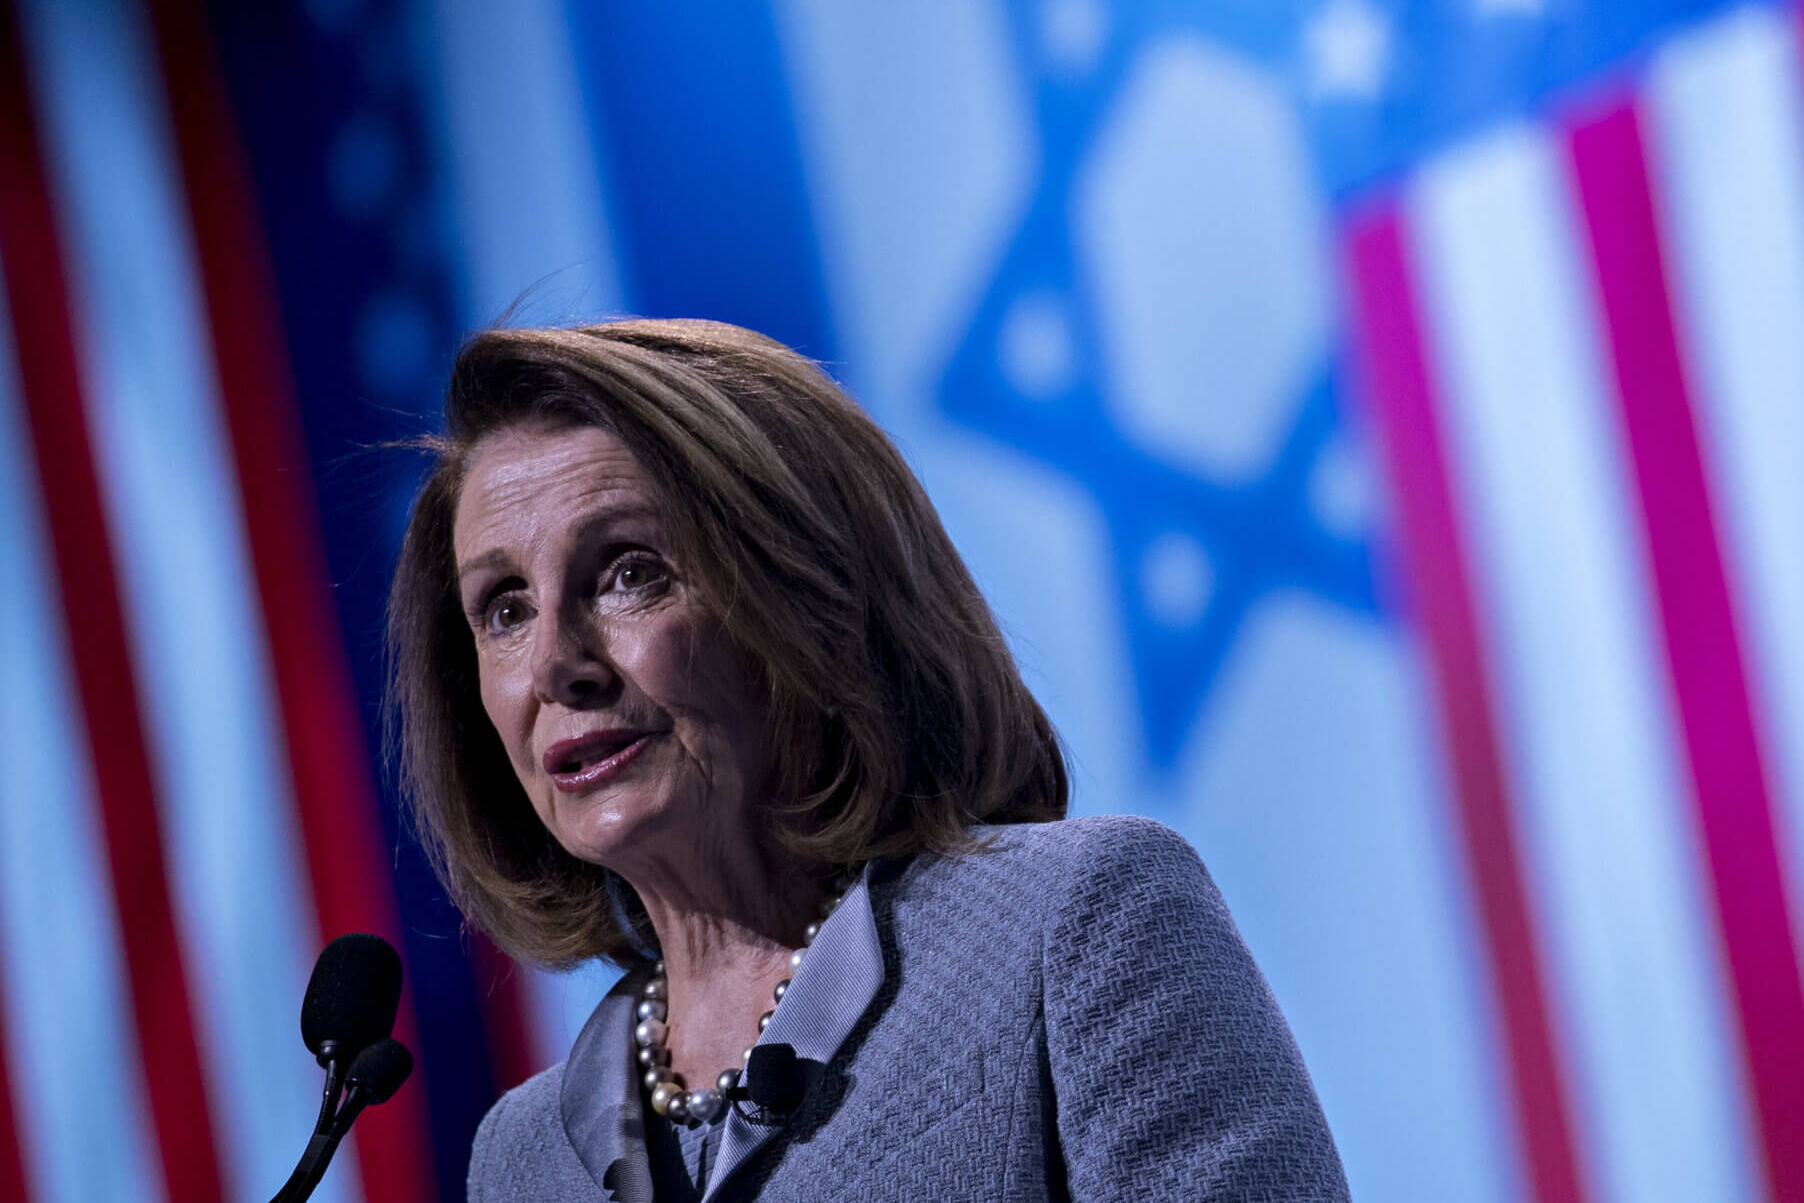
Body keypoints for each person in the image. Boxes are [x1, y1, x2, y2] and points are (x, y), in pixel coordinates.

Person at [387, 319, 1349, 1201]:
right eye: (505, 609)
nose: (556, 662)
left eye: (631, 573)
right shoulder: (521, 1158)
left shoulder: (1076, 927)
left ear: (811, 598)